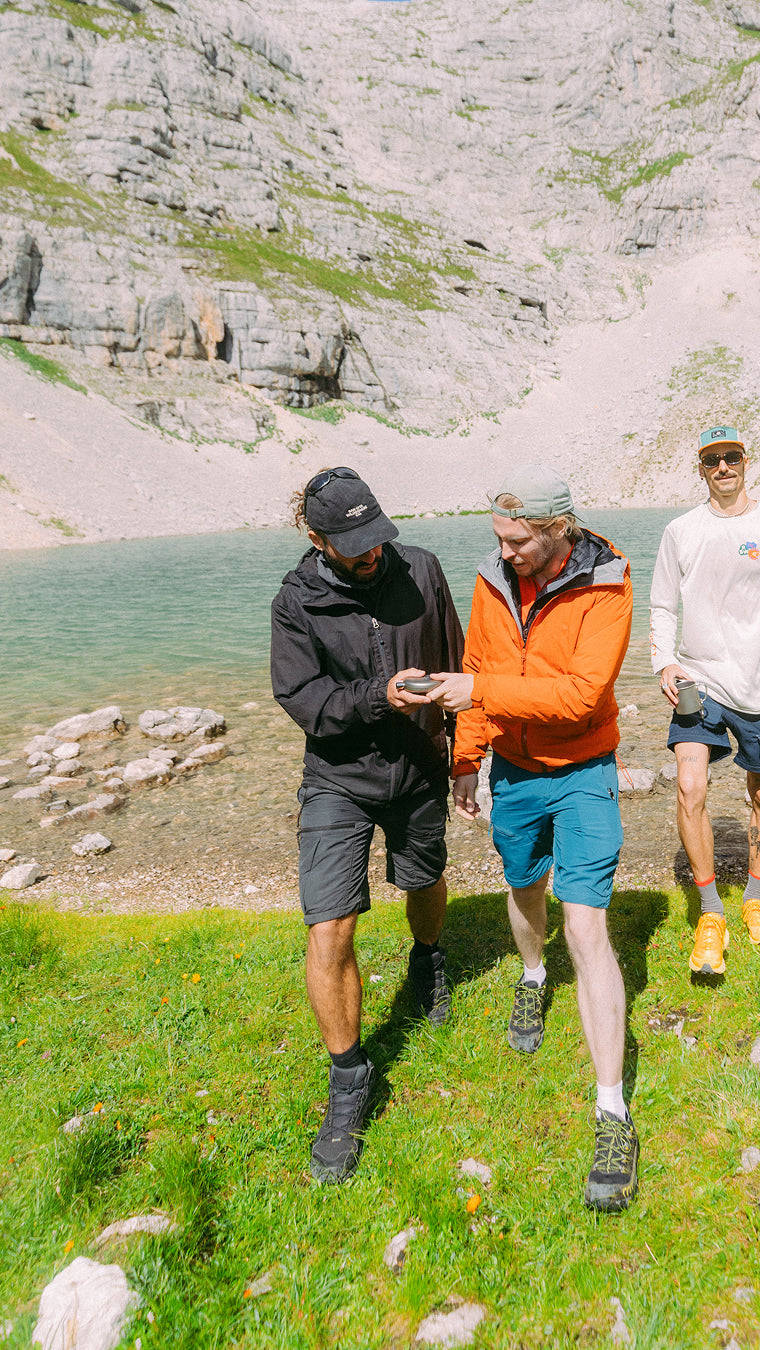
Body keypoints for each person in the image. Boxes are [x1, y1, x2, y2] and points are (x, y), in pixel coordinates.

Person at [426, 465, 638, 1213]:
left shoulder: (607, 586)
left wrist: (477, 694)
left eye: (518, 540)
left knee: (585, 925)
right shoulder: (491, 579)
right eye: (498, 538)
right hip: (511, 772)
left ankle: (612, 1110)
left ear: (559, 531)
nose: (505, 550)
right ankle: (531, 979)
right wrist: (465, 760)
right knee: (523, 890)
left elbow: (581, 693)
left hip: (584, 770)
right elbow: (479, 665)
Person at [270, 466, 464, 1183]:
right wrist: (376, 697)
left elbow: (455, 660)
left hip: (418, 765)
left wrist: (464, 756)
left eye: (376, 536)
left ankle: (429, 958)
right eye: (352, 544)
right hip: (338, 780)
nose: (371, 554)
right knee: (330, 926)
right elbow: (304, 698)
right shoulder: (296, 604)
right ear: (315, 538)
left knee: (426, 878)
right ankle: (349, 1078)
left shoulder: (421, 569)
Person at [650, 425, 760, 976]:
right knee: (689, 785)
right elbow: (660, 606)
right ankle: (710, 910)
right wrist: (664, 662)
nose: (723, 467)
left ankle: (752, 896)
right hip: (698, 679)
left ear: (746, 462)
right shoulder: (681, 531)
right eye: (712, 460)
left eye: (731, 457)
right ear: (700, 469)